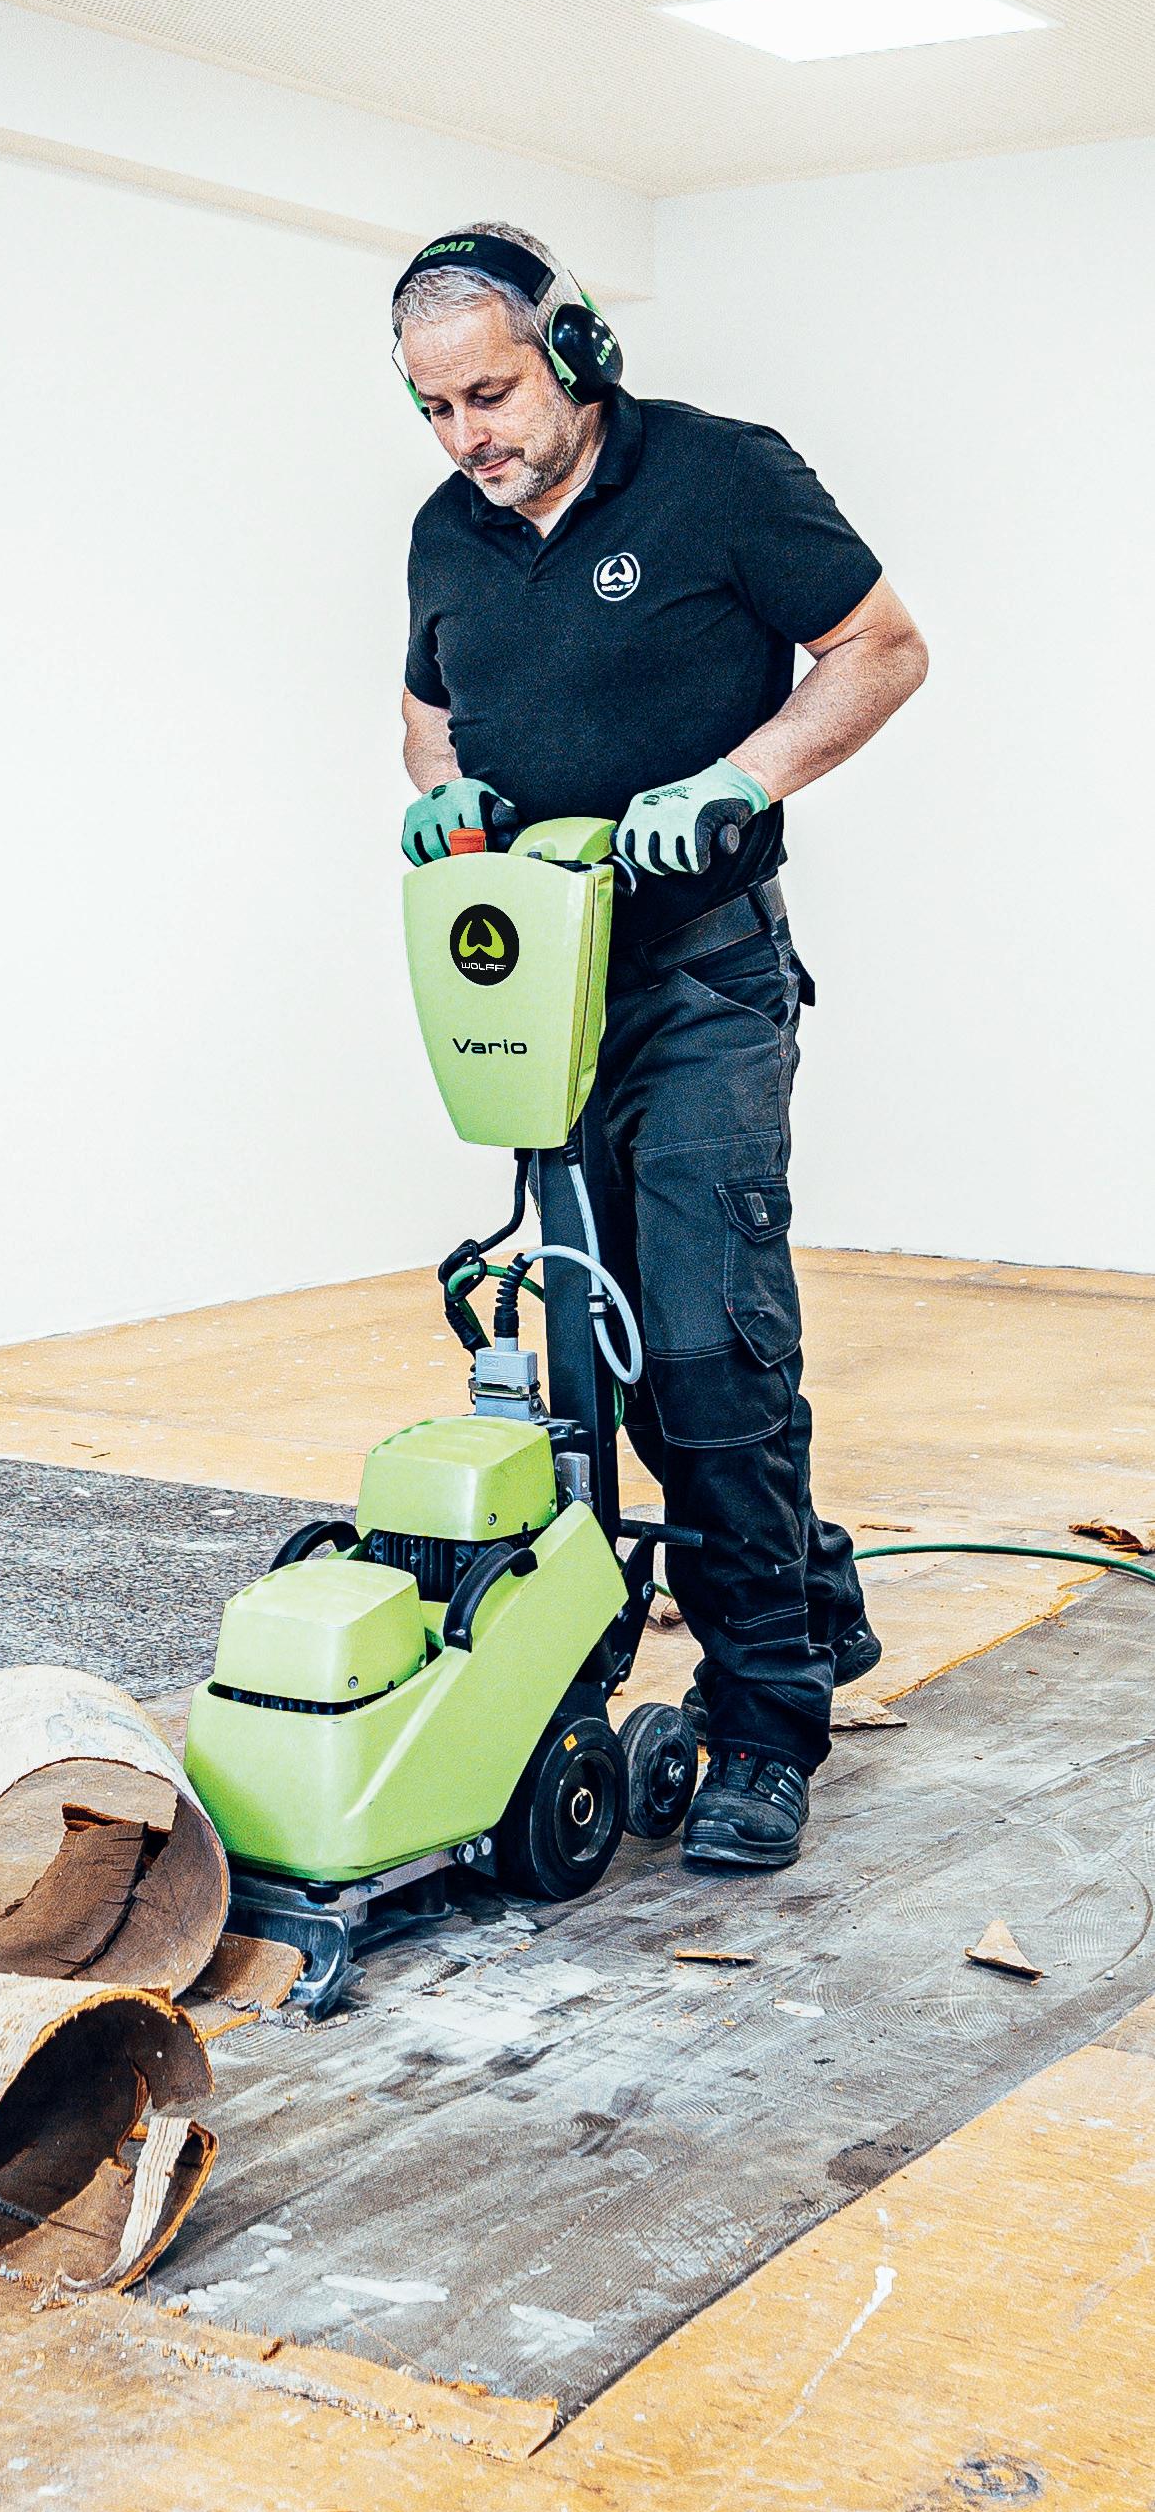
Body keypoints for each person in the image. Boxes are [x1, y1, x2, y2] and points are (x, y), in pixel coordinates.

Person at [393, 222, 928, 1873]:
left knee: (709, 1349)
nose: (465, 437)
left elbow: (883, 646)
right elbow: (428, 717)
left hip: (703, 981)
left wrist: (741, 780)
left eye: (489, 395)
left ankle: (765, 1721)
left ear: (577, 354)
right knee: (605, 1362)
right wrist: (445, 801)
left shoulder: (721, 477)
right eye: (433, 409)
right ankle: (809, 1590)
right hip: (541, 997)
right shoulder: (445, 533)